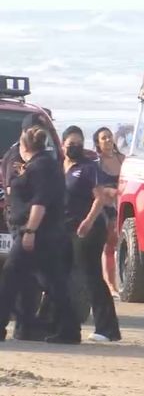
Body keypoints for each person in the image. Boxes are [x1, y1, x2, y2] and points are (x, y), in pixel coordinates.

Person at [0, 125, 81, 343]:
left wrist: (30, 231)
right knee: (54, 282)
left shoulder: (41, 168)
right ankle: (69, 330)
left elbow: (40, 203)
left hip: (38, 233)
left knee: (9, 276)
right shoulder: (42, 165)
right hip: (45, 234)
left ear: (25, 146)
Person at [62, 126, 122, 342]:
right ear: (63, 144)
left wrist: (88, 221)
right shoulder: (61, 166)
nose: (75, 147)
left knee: (91, 276)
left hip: (88, 229)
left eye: (79, 143)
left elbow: (100, 198)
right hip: (66, 229)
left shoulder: (88, 168)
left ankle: (107, 328)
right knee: (63, 274)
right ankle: (55, 320)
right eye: (71, 143)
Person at [1, 113, 56, 340]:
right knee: (17, 275)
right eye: (33, 131)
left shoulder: (45, 158)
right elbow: (15, 192)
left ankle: (26, 327)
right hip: (21, 224)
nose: (37, 135)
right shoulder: (14, 156)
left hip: (37, 226)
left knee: (29, 278)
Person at [92, 127, 124, 297]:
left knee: (116, 245)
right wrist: (109, 191)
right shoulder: (96, 163)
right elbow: (94, 186)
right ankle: (110, 285)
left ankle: (115, 284)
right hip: (105, 207)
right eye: (103, 138)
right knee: (108, 246)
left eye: (110, 137)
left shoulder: (122, 159)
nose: (108, 140)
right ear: (97, 142)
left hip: (121, 206)